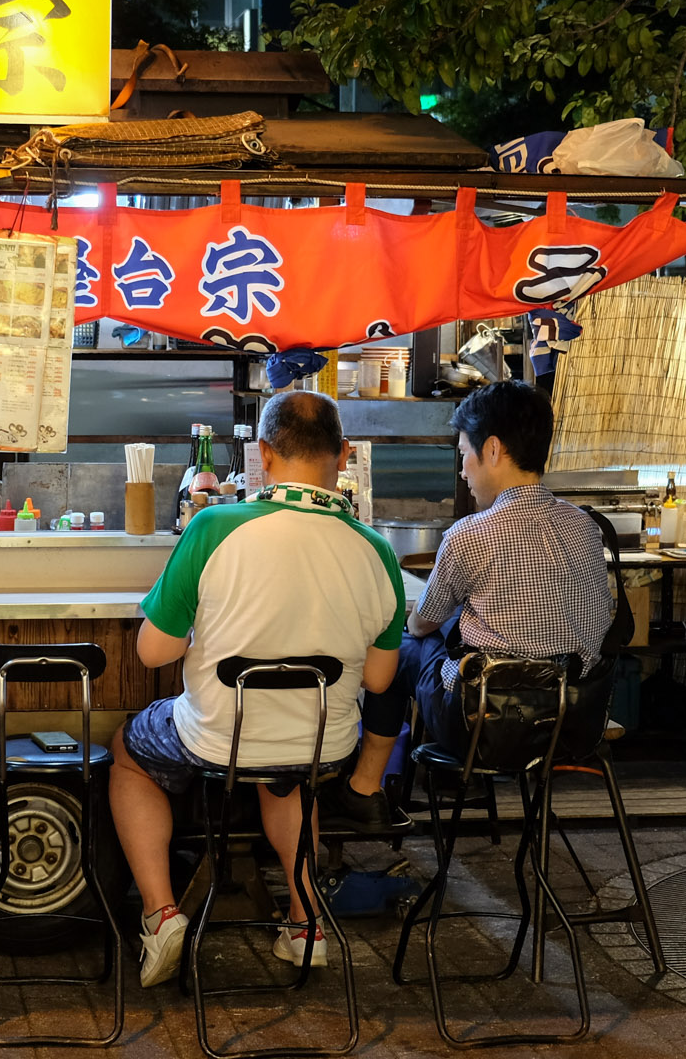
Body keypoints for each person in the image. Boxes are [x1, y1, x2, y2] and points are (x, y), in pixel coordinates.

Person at [109, 391, 405, 987]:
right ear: (342, 456)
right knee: (289, 776)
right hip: (324, 742)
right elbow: (378, 680)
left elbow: (152, 653)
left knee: (128, 752)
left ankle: (162, 915)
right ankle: (305, 924)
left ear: (263, 456)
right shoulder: (376, 549)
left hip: (216, 738)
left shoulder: (213, 526)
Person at [325, 380, 613, 834]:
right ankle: (420, 785)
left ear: (493, 450)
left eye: (465, 454)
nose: (463, 470)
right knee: (461, 628)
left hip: (489, 720)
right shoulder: (585, 527)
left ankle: (364, 788)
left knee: (397, 648)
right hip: (576, 717)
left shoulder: (472, 534)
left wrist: (407, 620)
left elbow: (423, 623)